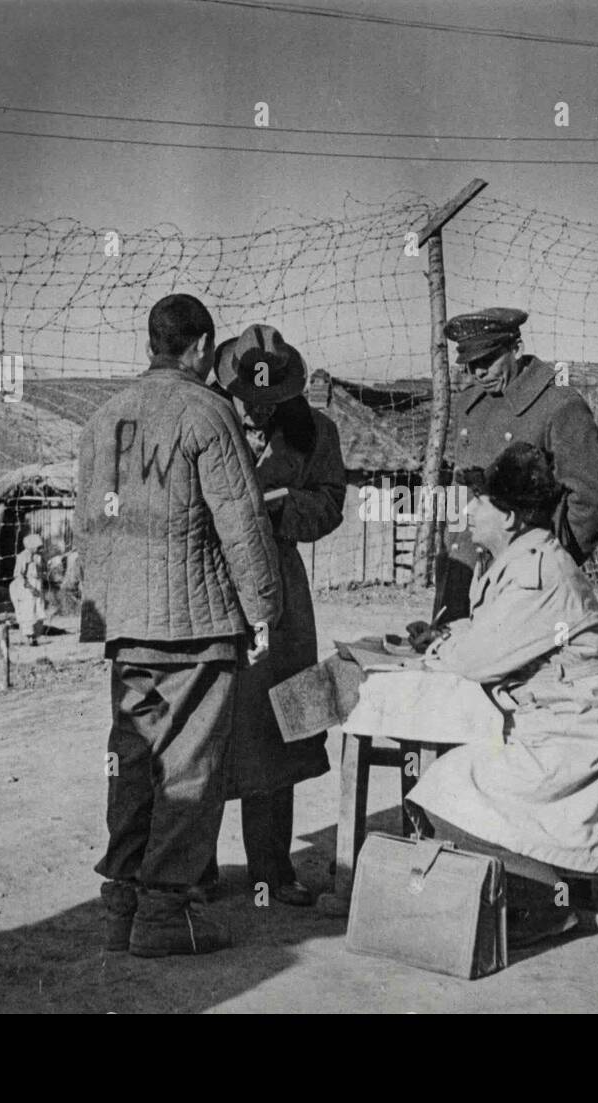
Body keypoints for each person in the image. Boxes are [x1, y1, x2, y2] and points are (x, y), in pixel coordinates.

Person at [76, 293, 283, 958]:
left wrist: (100, 612)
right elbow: (243, 522)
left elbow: (92, 526)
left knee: (133, 759)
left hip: (127, 624)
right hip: (196, 625)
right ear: (198, 348)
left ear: (151, 343)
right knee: (189, 765)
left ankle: (121, 904)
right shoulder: (209, 412)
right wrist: (263, 609)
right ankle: (165, 914)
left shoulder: (103, 419)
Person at [405, 442, 598, 950]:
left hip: (571, 740)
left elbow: (476, 659)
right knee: (451, 779)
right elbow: (488, 636)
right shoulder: (521, 559)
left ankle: (545, 901)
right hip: (547, 726)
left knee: (441, 789)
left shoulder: (538, 574)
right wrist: (449, 638)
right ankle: (522, 890)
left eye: (479, 502)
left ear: (508, 517)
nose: (468, 510)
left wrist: (444, 647)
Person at [198, 324, 346, 907]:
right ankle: (196, 869)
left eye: (269, 404)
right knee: (206, 729)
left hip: (280, 592)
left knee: (275, 724)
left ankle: (271, 870)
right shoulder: (202, 423)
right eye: (248, 403)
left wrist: (285, 512)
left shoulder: (316, 432)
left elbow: (332, 501)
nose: (257, 415)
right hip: (210, 586)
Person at [426, 307, 598, 630]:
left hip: (523, 584)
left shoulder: (558, 405)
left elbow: (592, 497)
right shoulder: (469, 405)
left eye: (488, 360)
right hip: (464, 572)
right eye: (470, 365)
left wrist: (552, 560)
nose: (479, 372)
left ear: (516, 348)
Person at [8, 533, 46, 644]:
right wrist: (30, 587)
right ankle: (28, 636)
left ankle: (35, 635)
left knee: (38, 609)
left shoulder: (38, 557)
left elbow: (41, 570)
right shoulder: (22, 557)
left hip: (37, 584)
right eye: (38, 547)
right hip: (25, 586)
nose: (40, 549)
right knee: (27, 610)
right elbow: (18, 575)